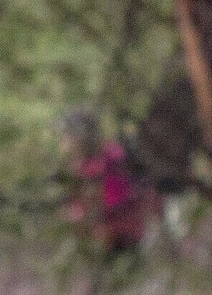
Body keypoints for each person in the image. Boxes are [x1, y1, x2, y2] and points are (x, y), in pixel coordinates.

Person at [59, 108, 162, 254]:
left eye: (66, 136)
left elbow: (114, 202)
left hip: (125, 239)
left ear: (79, 137)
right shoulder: (83, 164)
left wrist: (78, 216)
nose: (63, 143)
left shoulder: (110, 157)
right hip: (109, 237)